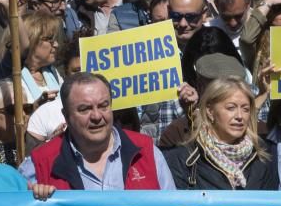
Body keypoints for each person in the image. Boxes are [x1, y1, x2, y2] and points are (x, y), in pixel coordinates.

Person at [21, 72, 175, 191]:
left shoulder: (147, 153)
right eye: (85, 109)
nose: (96, 116)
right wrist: (34, 203)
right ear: (66, 116)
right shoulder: (39, 165)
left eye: (103, 106)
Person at [165, 77, 277, 189]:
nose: (239, 116)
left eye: (245, 109)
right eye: (231, 108)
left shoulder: (261, 156)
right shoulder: (184, 159)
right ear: (210, 111)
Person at [20, 12, 63, 103]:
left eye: (55, 39)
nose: (56, 44)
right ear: (31, 41)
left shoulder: (52, 71)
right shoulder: (14, 78)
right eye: (49, 39)